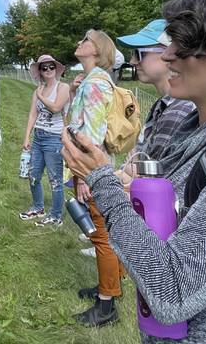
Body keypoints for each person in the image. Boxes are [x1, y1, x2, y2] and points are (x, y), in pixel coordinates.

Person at [62, 0, 206, 343]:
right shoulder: (194, 133)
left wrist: (103, 182)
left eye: (181, 46)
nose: (167, 56)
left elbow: (172, 291)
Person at [66, 29, 125, 327]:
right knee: (103, 232)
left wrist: (86, 177)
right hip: (90, 168)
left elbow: (93, 134)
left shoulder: (96, 84)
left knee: (102, 236)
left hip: (91, 169)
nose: (79, 43)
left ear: (97, 50)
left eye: (86, 40)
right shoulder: (91, 82)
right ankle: (111, 284)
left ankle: (107, 303)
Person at [118, 19, 195, 170]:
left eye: (139, 54)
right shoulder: (163, 104)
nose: (132, 61)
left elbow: (150, 176)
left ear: (169, 53)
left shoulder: (180, 108)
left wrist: (131, 169)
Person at [19, 54, 70, 226]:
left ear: (56, 69)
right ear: (39, 71)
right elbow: (33, 113)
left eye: (51, 67)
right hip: (38, 137)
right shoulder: (37, 90)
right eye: (44, 68)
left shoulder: (63, 87)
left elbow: (56, 107)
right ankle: (38, 208)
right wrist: (27, 136)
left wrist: (41, 97)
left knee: (55, 179)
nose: (48, 70)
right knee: (33, 175)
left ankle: (56, 216)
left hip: (54, 138)